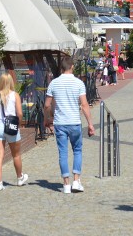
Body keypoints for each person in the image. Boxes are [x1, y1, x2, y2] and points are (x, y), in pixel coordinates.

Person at [44, 56, 95, 194]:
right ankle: (76, 181)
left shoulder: (54, 83)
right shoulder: (78, 83)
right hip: (74, 122)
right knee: (77, 150)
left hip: (60, 123)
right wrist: (90, 124)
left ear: (61, 68)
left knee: (63, 153)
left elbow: (47, 105)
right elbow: (84, 105)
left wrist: (47, 119)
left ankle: (66, 184)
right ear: (72, 67)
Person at [0, 73, 29, 191]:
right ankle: (20, 178)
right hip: (11, 127)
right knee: (16, 155)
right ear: (10, 83)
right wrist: (19, 124)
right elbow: (19, 113)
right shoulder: (15, 95)